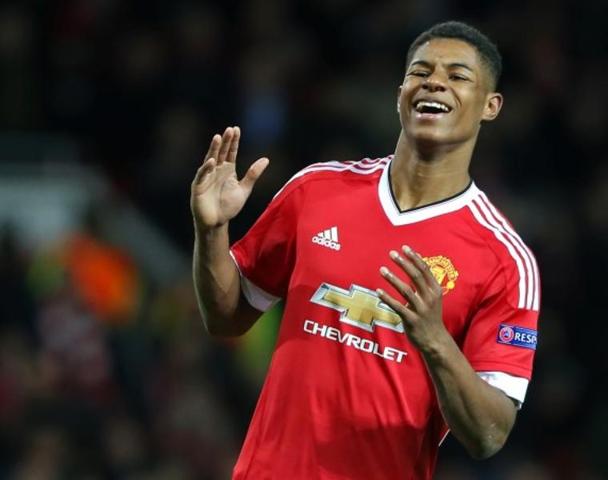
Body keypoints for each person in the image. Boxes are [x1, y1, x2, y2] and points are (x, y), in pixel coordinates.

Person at [191, 20, 540, 480]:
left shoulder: (504, 260)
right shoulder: (316, 190)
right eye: (420, 71)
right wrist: (211, 231)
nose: (434, 81)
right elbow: (226, 317)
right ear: (400, 93)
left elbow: (489, 434)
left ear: (490, 106)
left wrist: (435, 340)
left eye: (458, 76)